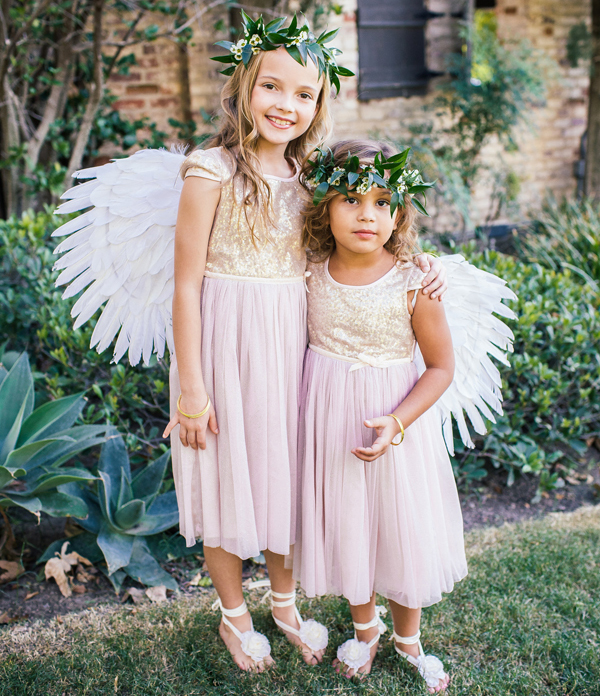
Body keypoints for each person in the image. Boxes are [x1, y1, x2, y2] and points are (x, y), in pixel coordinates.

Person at [161, 15, 448, 672]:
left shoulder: (313, 174)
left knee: (283, 477)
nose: (285, 105)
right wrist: (194, 387)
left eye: (303, 94)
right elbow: (183, 287)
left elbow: (371, 225)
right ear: (244, 87)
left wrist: (423, 261)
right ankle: (235, 616)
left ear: (319, 103)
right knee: (226, 478)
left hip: (294, 347)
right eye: (272, 87)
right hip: (224, 348)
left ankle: (284, 602)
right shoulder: (208, 171)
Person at [294, 139, 471, 692]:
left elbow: (441, 368)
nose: (366, 214)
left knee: (399, 527)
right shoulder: (307, 273)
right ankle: (365, 628)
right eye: (349, 199)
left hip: (395, 424)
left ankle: (409, 638)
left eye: (380, 201)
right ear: (324, 204)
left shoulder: (416, 282)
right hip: (328, 420)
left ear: (399, 211)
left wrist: (397, 421)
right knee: (350, 522)